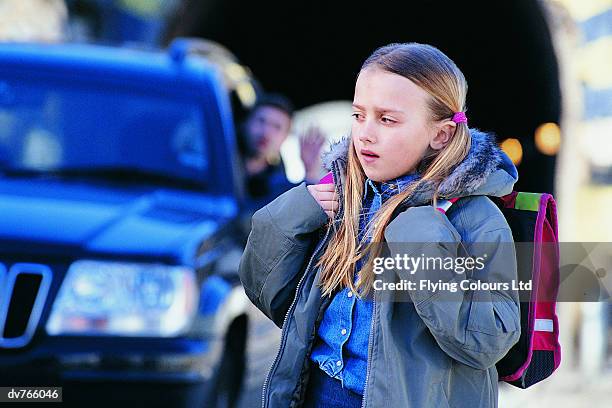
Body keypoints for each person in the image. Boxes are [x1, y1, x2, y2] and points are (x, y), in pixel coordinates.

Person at [239, 43, 521, 407]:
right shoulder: (345, 199)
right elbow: (280, 304)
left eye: (387, 119)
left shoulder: (476, 219)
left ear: (441, 135)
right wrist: (287, 218)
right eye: (359, 115)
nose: (365, 134)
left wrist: (422, 241)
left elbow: (489, 341)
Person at [238, 93, 325, 208]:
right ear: (246, 123)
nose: (266, 132)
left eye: (277, 127)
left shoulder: (276, 182)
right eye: (261, 121)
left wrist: (310, 172)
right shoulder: (217, 155)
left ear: (285, 137)